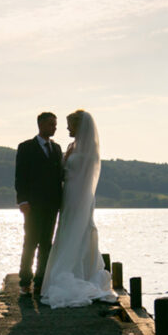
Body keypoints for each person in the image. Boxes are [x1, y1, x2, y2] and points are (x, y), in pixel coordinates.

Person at [40, 110, 115, 308]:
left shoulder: (88, 150)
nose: (66, 129)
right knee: (67, 230)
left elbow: (83, 177)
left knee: (78, 231)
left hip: (79, 197)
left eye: (70, 125)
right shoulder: (73, 147)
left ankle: (78, 272)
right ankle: (76, 270)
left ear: (79, 126)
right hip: (68, 196)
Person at [14, 112, 64, 295]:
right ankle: (25, 280)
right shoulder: (26, 147)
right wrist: (23, 201)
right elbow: (20, 176)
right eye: (51, 124)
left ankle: (41, 280)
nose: (54, 128)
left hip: (52, 204)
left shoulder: (57, 149)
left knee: (46, 243)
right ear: (41, 124)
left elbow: (60, 176)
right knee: (30, 242)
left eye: (55, 124)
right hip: (32, 204)